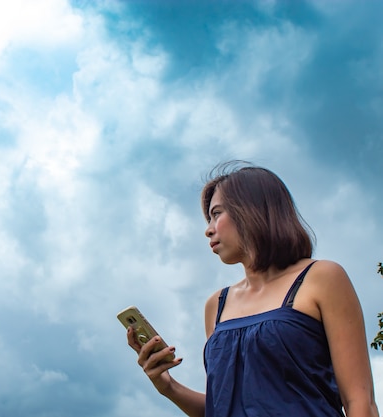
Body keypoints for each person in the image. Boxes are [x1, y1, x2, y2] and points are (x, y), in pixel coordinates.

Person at [126, 162, 379, 417]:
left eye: (216, 214)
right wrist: (168, 386)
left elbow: (360, 402)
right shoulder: (217, 304)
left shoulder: (322, 278)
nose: (208, 229)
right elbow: (221, 407)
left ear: (251, 210)